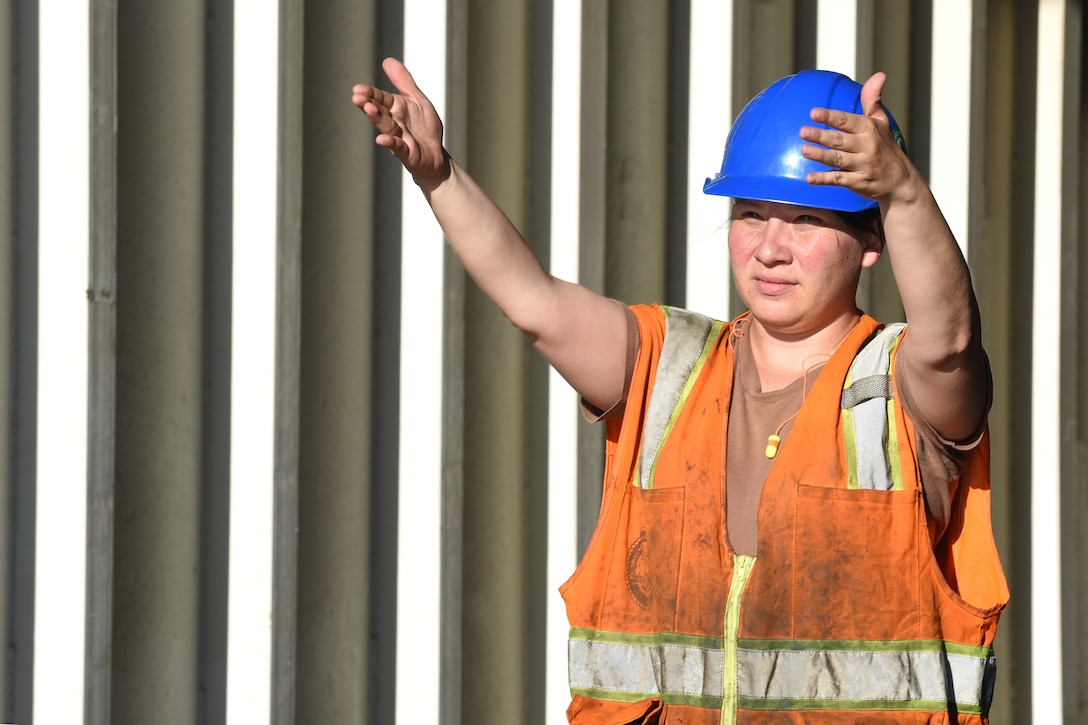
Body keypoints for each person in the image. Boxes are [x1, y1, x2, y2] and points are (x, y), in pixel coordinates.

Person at [354, 58, 1008, 724]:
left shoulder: (904, 388)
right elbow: (535, 303)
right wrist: (440, 175)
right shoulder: (667, 362)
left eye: (806, 220)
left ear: (872, 241)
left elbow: (951, 338)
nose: (770, 248)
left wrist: (902, 193)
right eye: (751, 214)